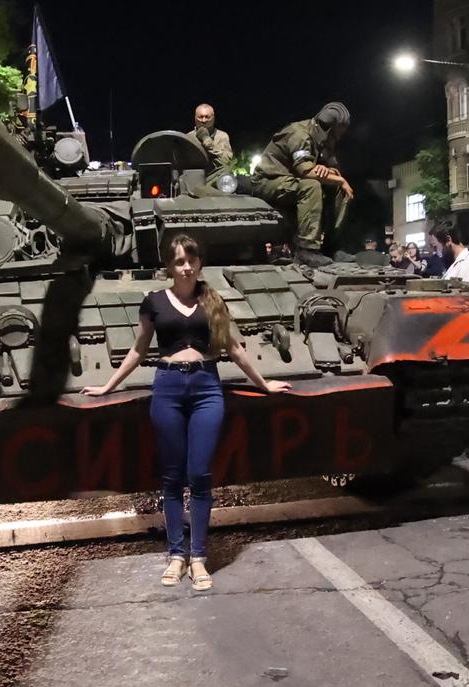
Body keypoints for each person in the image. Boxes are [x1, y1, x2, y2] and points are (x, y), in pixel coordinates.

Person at [81, 234, 289, 590]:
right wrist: (107, 386)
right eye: (179, 261)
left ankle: (198, 557)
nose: (186, 267)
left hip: (207, 388)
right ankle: (176, 555)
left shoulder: (213, 300)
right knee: (173, 476)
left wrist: (264, 384)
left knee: (200, 474)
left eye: (191, 260)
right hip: (168, 388)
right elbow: (138, 350)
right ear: (169, 266)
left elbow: (235, 349)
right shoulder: (154, 302)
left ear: (200, 263)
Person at [251, 102, 353, 263]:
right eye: (337, 133)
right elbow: (305, 171)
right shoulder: (300, 133)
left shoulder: (324, 140)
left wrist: (330, 173)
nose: (339, 137)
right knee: (311, 186)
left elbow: (332, 168)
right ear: (328, 128)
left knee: (339, 189)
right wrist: (339, 179)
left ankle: (332, 247)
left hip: (292, 181)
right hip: (269, 180)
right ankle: (306, 250)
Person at [185, 103, 233, 185]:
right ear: (195, 118)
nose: (203, 121)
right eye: (200, 117)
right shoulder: (188, 137)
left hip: (214, 179)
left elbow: (226, 161)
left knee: (227, 170)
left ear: (213, 118)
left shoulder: (221, 136)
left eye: (207, 117)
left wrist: (208, 142)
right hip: (192, 178)